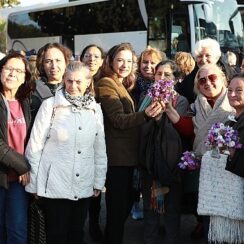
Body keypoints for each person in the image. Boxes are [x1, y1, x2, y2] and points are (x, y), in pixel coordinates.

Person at [25, 61, 107, 244]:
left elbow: (99, 149)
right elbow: (35, 146)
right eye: (69, 81)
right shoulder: (50, 106)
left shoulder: (95, 109)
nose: (73, 86)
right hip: (54, 185)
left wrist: (99, 181)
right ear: (64, 80)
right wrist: (34, 185)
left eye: (78, 82)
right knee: (57, 234)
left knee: (77, 233)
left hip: (84, 183)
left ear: (88, 82)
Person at [96, 42, 163, 244]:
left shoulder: (122, 83)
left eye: (129, 61)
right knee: (117, 213)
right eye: (120, 60)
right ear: (110, 61)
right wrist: (145, 115)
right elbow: (118, 120)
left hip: (127, 158)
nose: (124, 65)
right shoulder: (107, 83)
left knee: (121, 212)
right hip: (117, 159)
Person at [165, 63, 235, 243]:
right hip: (205, 168)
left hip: (231, 170)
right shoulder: (196, 105)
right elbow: (192, 130)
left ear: (222, 79)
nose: (207, 83)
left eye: (212, 78)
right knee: (207, 212)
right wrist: (171, 111)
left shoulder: (234, 100)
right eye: (202, 80)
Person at [140, 60, 189, 244]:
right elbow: (140, 129)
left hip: (172, 163)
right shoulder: (145, 96)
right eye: (158, 74)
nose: (161, 78)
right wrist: (150, 116)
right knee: (150, 209)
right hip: (150, 161)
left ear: (175, 79)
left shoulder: (181, 100)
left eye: (167, 75)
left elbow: (177, 131)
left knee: (172, 210)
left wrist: (163, 116)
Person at [0, 52, 34, 244]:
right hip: (5, 174)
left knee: (18, 233)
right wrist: (22, 165)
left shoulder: (26, 102)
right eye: (8, 68)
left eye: (19, 71)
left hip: (19, 182)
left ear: (24, 78)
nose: (13, 74)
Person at [80, 44, 105, 242]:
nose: (92, 59)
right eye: (88, 55)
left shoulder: (105, 81)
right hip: (77, 142)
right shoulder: (75, 78)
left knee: (95, 191)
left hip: (98, 140)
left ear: (103, 60)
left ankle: (94, 224)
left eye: (96, 56)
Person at [31, 42, 72, 120]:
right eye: (48, 61)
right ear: (42, 64)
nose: (54, 66)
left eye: (58, 60)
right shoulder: (32, 90)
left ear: (66, 63)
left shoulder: (75, 87)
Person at [226, 74, 244, 177]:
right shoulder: (229, 122)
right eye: (229, 90)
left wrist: (233, 155)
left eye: (239, 90)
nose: (232, 94)